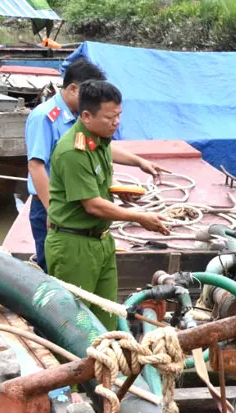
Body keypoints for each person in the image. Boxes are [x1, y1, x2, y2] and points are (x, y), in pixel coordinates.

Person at [46, 80, 170, 330]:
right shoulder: (73, 151)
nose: (116, 123)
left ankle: (105, 367)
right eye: (110, 118)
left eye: (118, 116)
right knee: (75, 324)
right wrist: (140, 218)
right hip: (74, 246)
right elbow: (92, 205)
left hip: (101, 240)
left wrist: (138, 163)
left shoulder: (97, 138)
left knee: (106, 316)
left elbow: (109, 153)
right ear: (86, 116)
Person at [24, 58, 167, 271]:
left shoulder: (80, 118)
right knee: (55, 271)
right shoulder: (45, 117)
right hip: (53, 205)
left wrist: (138, 162)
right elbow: (36, 167)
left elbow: (100, 149)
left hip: (76, 203)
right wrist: (51, 211)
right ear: (73, 89)